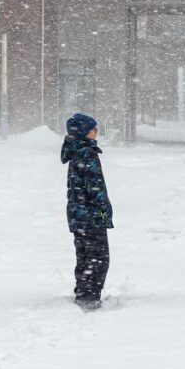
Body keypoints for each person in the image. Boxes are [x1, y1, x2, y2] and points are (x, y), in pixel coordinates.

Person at [60, 113, 113, 311]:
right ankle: (89, 296)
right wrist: (102, 212)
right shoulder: (87, 153)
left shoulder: (76, 151)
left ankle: (83, 292)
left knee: (84, 255)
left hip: (78, 214)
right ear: (84, 132)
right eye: (93, 128)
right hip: (90, 216)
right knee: (98, 257)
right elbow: (95, 188)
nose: (96, 131)